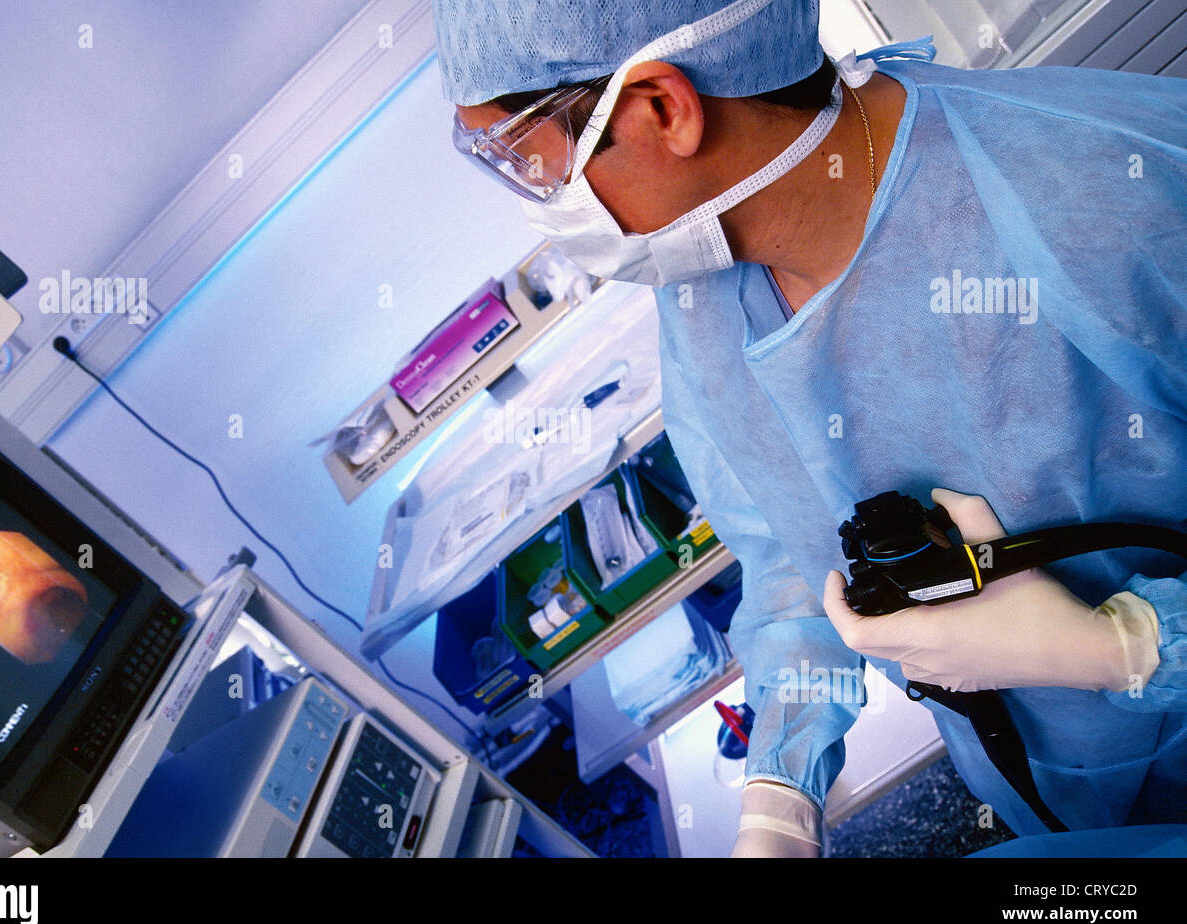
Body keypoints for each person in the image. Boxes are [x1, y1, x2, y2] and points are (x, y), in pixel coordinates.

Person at [433, 0, 1187, 856]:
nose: (539, 206)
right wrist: (779, 793)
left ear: (661, 108)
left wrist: (1125, 649)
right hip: (1045, 803)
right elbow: (796, 554)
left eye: (530, 165)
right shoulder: (706, 295)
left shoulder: (1109, 200)